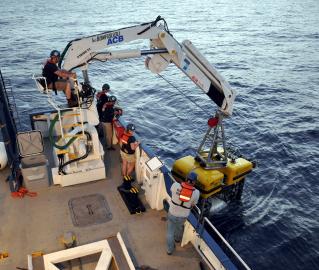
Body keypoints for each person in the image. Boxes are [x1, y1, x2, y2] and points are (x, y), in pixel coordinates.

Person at [166, 171, 200, 255]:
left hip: (172, 213)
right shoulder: (196, 193)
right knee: (179, 226)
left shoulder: (175, 185)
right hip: (183, 215)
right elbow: (193, 204)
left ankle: (169, 250)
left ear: (186, 178)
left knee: (170, 232)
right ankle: (177, 239)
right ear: (194, 182)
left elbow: (171, 192)